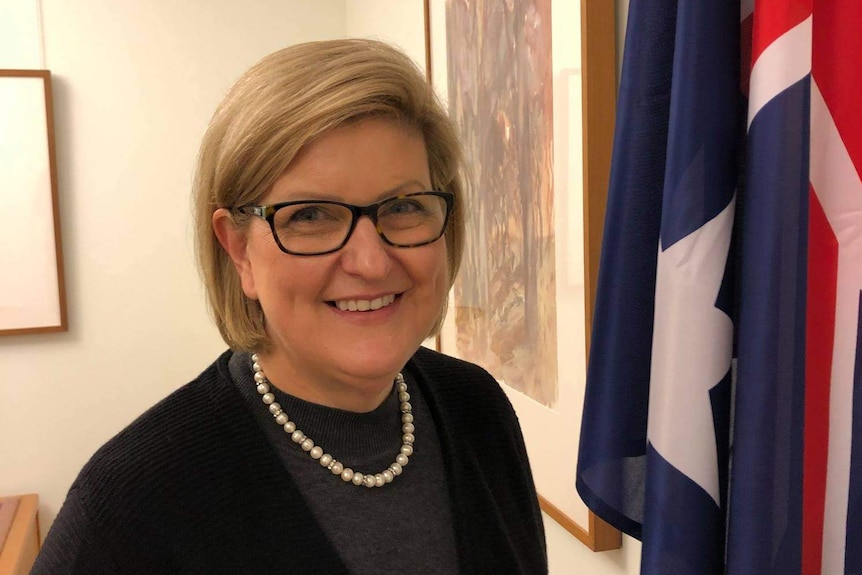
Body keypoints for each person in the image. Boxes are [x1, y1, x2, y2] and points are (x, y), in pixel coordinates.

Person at [32, 39, 547, 574]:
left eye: (403, 206)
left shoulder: (477, 411)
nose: (371, 263)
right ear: (238, 249)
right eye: (310, 216)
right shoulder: (130, 504)